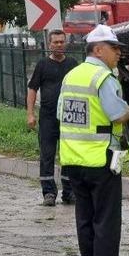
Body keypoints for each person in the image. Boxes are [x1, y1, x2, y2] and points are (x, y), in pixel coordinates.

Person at [58, 24, 129, 256]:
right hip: (101, 160)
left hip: (73, 160)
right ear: (98, 50)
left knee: (85, 221)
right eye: (114, 49)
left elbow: (60, 114)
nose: (118, 54)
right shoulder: (103, 78)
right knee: (106, 222)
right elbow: (116, 114)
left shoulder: (71, 76)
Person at [27, 29, 78, 206]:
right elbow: (32, 89)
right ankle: (49, 193)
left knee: (68, 156)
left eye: (61, 42)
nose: (59, 45)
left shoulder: (73, 64)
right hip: (48, 118)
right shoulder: (42, 65)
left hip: (68, 119)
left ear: (66, 43)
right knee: (47, 155)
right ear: (49, 44)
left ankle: (69, 192)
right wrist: (30, 114)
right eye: (55, 42)